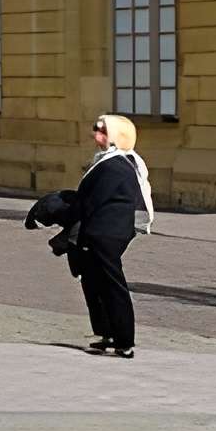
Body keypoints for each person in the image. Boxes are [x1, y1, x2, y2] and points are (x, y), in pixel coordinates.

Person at [33, 113, 155, 358]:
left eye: (102, 130)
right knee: (92, 282)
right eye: (96, 129)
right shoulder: (108, 161)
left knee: (110, 284)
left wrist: (61, 214)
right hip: (99, 231)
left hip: (105, 234)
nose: (95, 134)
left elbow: (90, 202)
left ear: (117, 136)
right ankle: (106, 333)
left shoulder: (116, 165)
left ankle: (124, 341)